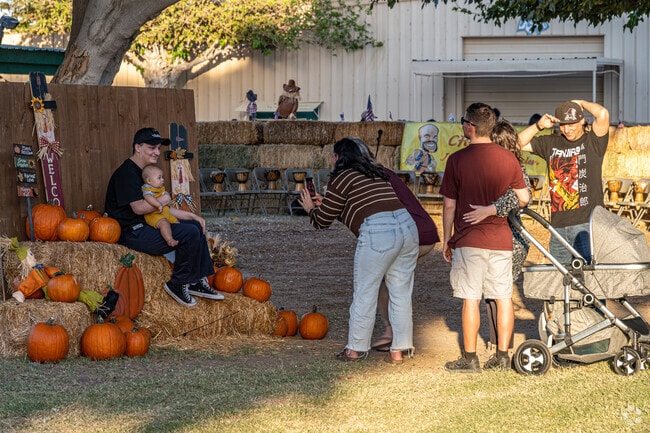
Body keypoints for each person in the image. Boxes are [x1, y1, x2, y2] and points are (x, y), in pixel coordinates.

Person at [298, 137, 419, 365]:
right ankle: (398, 351)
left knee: (365, 291)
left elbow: (323, 221)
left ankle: (354, 350)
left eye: (333, 156)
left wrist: (309, 209)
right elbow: (360, 210)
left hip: (379, 232)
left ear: (337, 157)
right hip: (407, 227)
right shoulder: (377, 173)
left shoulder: (341, 177)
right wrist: (326, 203)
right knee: (400, 292)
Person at [440, 103, 529, 372]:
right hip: (501, 240)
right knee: (503, 298)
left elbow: (449, 206)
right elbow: (523, 198)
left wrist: (446, 240)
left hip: (469, 240)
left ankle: (470, 358)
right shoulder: (509, 159)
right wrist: (494, 208)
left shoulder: (457, 160)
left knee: (471, 299)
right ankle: (503, 357)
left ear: (470, 127)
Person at [105, 127, 224, 307]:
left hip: (148, 225)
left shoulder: (146, 172)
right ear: (138, 147)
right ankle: (177, 283)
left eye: (158, 148)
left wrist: (192, 216)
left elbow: (161, 209)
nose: (157, 152)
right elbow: (138, 208)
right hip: (132, 233)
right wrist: (165, 198)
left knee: (195, 227)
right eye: (152, 148)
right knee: (188, 233)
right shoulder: (126, 174)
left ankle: (197, 280)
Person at [462, 120, 533, 351]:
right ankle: (499, 343)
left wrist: (491, 208)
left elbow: (521, 197)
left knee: (498, 294)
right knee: (496, 294)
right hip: (503, 237)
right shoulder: (506, 166)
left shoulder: (508, 168)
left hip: (507, 238)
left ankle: (501, 344)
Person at [518, 100, 610, 264]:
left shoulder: (593, 142)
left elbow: (602, 114)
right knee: (560, 278)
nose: (567, 129)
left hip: (586, 226)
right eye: (563, 125)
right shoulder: (551, 143)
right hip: (558, 227)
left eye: (572, 124)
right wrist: (538, 126)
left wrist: (581, 102)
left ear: (582, 120)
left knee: (589, 276)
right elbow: (516, 144)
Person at [141, 164, 179, 247]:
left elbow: (165, 195)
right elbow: (148, 198)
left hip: (165, 213)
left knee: (177, 223)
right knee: (164, 224)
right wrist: (158, 204)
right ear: (149, 181)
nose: (162, 180)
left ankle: (179, 238)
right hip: (154, 215)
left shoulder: (159, 188)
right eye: (159, 177)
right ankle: (170, 240)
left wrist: (166, 195)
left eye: (162, 177)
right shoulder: (148, 189)